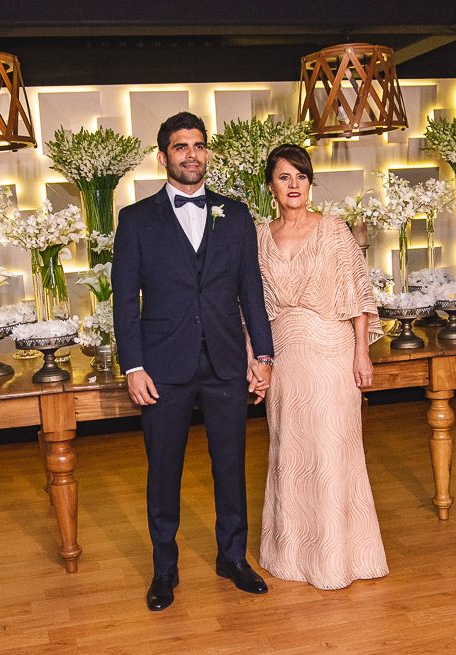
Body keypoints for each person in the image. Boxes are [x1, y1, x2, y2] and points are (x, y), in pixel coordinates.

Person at [112, 111, 274, 611]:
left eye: (199, 145)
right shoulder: (136, 220)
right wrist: (133, 366)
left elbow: (252, 291)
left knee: (231, 466)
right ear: (163, 156)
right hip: (163, 367)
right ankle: (165, 569)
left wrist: (263, 354)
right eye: (181, 146)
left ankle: (233, 558)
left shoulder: (236, 215)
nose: (191, 154)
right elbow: (124, 301)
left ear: (207, 153)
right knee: (164, 471)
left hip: (225, 361)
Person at [257, 143, 389, 590]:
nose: (294, 185)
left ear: (310, 183)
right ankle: (292, 555)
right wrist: (256, 360)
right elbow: (249, 308)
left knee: (333, 452)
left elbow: (359, 294)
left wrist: (361, 352)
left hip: (332, 355)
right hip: (285, 359)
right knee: (291, 452)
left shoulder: (334, 231)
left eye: (301, 176)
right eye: (284, 177)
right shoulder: (258, 237)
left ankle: (340, 558)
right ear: (271, 186)